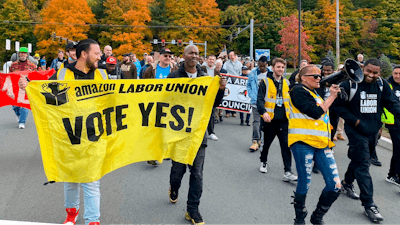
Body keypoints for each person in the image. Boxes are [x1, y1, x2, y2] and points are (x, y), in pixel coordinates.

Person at [335, 58, 400, 222]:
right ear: (362, 68)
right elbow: (337, 106)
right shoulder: (349, 84)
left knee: (358, 160)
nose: (371, 75)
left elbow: (392, 103)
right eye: (368, 71)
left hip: (373, 131)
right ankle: (369, 205)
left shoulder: (382, 85)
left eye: (375, 72)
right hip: (356, 131)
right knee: (363, 163)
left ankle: (347, 183)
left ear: (380, 72)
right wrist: (355, 121)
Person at [168, 45, 225, 225]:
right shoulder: (173, 77)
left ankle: (192, 209)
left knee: (197, 174)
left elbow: (213, 103)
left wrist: (221, 89)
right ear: (183, 56)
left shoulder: (205, 79)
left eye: (197, 54)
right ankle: (174, 187)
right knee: (178, 171)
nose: (194, 56)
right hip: (178, 134)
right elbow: (164, 101)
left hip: (199, 133)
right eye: (191, 53)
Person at [289, 65, 341, 225]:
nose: (319, 78)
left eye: (320, 76)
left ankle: (317, 216)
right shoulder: (297, 90)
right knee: (305, 182)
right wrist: (331, 97)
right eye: (315, 76)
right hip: (302, 142)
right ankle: (299, 217)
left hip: (321, 143)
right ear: (303, 77)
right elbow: (315, 112)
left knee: (335, 185)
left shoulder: (314, 93)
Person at [257, 58, 297, 182]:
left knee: (285, 146)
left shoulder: (286, 83)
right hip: (270, 121)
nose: (280, 69)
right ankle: (263, 161)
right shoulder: (265, 82)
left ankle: (288, 171)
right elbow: (259, 100)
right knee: (266, 145)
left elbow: (291, 101)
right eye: (278, 67)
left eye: (282, 67)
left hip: (283, 121)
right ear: (273, 68)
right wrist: (263, 113)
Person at [247, 56, 270, 151]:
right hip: (256, 101)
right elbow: (248, 85)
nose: (261, 68)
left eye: (263, 67)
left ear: (266, 65)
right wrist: (252, 95)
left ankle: (263, 141)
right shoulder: (253, 73)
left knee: (265, 123)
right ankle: (255, 141)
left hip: (267, 103)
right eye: (259, 66)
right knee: (256, 122)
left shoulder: (271, 74)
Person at [381, 65, 400, 187]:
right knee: (398, 148)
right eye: (395, 73)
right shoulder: (388, 85)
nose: (397, 76)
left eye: (399, 74)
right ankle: (395, 175)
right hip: (392, 121)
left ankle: (391, 174)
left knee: (398, 149)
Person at [10, 47, 36, 129]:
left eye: (24, 53)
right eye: (21, 53)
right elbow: (9, 76)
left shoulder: (32, 66)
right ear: (19, 54)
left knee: (24, 105)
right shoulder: (13, 65)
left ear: (27, 55)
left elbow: (35, 77)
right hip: (15, 87)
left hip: (26, 88)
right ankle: (18, 114)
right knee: (15, 106)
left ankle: (22, 122)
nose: (23, 55)